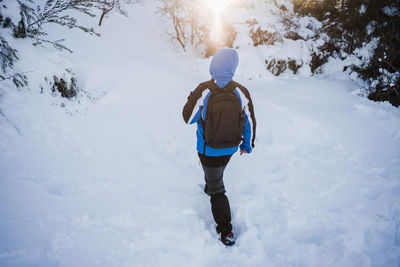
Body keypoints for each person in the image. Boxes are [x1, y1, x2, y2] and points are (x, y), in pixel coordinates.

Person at [182, 48, 256, 246]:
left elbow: (187, 118)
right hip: (231, 147)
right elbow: (249, 120)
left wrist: (193, 99)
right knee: (216, 174)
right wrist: (247, 144)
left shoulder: (204, 89)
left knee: (217, 191)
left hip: (208, 149)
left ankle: (226, 230)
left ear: (213, 65)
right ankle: (211, 183)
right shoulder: (240, 91)